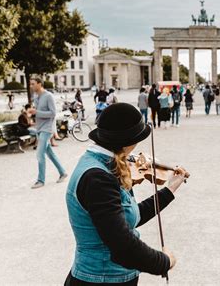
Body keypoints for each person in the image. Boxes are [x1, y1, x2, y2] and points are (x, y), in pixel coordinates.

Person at [64, 103, 187, 285]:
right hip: (101, 279)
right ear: (128, 141)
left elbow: (130, 217)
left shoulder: (105, 164)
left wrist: (169, 190)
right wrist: (164, 262)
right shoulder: (97, 178)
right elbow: (122, 246)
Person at [28, 76, 67, 189]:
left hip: (47, 129)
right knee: (50, 153)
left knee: (40, 154)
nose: (31, 86)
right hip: (39, 128)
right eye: (30, 84)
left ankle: (40, 180)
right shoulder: (36, 96)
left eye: (33, 84)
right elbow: (39, 112)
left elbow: (53, 113)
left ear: (40, 84)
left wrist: (37, 112)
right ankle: (63, 172)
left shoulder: (49, 96)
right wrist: (32, 112)